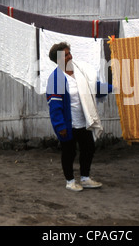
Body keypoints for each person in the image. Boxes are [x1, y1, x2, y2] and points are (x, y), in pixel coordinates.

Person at [46, 42, 113, 192]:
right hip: (68, 124)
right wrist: (60, 126)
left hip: (84, 120)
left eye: (69, 53)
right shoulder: (55, 79)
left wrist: (112, 87)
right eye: (65, 55)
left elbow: (94, 88)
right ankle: (70, 181)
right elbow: (55, 106)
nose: (70, 56)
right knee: (69, 152)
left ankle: (85, 178)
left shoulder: (80, 72)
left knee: (88, 148)